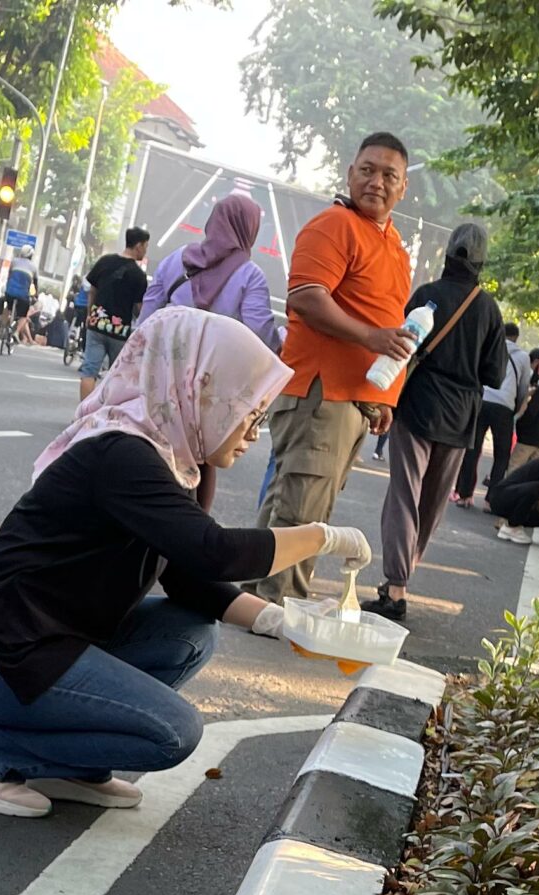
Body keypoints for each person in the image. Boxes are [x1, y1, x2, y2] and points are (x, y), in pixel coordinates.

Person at [0, 306, 373, 819]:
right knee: (173, 734)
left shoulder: (175, 459)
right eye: (247, 411)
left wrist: (283, 622)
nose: (252, 433)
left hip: (51, 636)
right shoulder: (122, 453)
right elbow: (215, 552)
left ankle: (72, 766)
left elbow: (187, 575)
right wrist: (321, 536)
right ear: (199, 391)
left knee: (192, 634)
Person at [253, 133, 417, 604]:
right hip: (320, 394)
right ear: (350, 173)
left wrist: (380, 398)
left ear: (403, 188)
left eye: (390, 175)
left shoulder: (393, 245)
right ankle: (276, 605)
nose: (377, 182)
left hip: (352, 399)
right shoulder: (335, 225)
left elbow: (382, 318)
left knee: (301, 502)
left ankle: (261, 597)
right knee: (302, 508)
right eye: (367, 169)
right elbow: (306, 296)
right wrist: (370, 338)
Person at [371, 220, 501, 622]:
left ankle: (396, 587)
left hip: (419, 404)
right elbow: (493, 376)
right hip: (461, 416)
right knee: (431, 504)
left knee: (404, 494)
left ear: (448, 252)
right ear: (482, 259)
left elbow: (403, 348)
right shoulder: (489, 308)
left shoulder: (428, 295)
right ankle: (401, 580)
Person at [140, 193, 277, 348]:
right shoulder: (250, 275)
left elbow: (149, 308)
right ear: (250, 228)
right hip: (213, 365)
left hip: (165, 354)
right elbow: (259, 330)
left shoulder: (179, 257)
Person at [457, 321, 524, 505]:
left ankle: (465, 495)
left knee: (473, 448)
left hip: (483, 401)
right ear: (516, 338)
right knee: (501, 455)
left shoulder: (490, 348)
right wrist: (515, 408)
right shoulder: (523, 357)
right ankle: (490, 500)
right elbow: (524, 387)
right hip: (505, 407)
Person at [77, 226, 149, 395]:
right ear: (138, 246)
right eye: (145, 246)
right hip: (119, 331)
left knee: (89, 371)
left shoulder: (105, 261)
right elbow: (140, 308)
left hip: (97, 323)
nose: (145, 251)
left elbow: (92, 291)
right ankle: (105, 415)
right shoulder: (138, 275)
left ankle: (83, 415)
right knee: (115, 376)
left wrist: (90, 315)